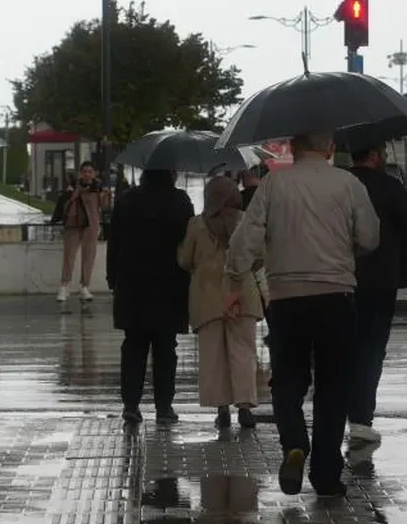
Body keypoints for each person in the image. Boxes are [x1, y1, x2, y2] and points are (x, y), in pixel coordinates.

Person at [226, 131, 380, 498]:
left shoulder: (273, 184)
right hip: (336, 296)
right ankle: (326, 474)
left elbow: (246, 237)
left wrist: (235, 278)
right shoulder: (348, 183)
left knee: (288, 378)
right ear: (329, 148)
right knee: (333, 384)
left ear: (292, 149)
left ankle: (294, 443)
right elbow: (371, 237)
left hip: (286, 298)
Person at [347, 146, 407, 445]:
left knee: (344, 348)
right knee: (372, 349)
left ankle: (340, 412)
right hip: (381, 281)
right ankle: (361, 418)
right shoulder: (389, 186)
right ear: (376, 156)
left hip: (341, 277)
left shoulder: (341, 181)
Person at [106, 168, 193, 425]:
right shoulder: (180, 201)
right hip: (170, 286)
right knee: (166, 349)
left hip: (133, 286)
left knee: (133, 347)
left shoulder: (127, 200)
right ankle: (164, 407)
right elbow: (188, 242)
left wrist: (112, 277)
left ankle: (131, 405)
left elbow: (115, 242)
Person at [178, 175, 261, 430]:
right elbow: (260, 257)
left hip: (208, 297)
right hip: (242, 296)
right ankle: (245, 407)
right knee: (243, 352)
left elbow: (184, 260)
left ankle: (222, 409)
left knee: (213, 356)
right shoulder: (246, 222)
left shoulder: (196, 225)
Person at [55, 161, 109, 304]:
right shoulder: (72, 186)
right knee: (69, 255)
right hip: (73, 224)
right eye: (84, 171)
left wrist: (105, 197)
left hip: (91, 225)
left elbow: (104, 207)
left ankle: (85, 286)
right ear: (80, 173)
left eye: (90, 171)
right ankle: (64, 285)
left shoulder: (98, 187)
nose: (87, 174)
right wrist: (75, 193)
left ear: (94, 173)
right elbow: (65, 204)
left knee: (89, 255)